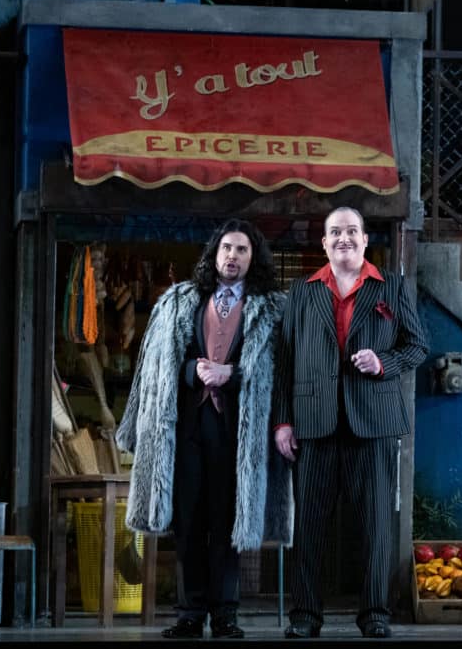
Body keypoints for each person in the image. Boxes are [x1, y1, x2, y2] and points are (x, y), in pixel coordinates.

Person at [115, 218, 294, 640]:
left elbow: (281, 371)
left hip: (239, 432)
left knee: (227, 522)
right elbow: (155, 365)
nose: (233, 256)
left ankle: (225, 614)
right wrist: (192, 371)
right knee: (189, 522)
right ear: (215, 254)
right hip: (187, 429)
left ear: (253, 258)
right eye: (227, 248)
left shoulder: (273, 309)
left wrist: (233, 374)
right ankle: (189, 614)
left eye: (242, 250)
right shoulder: (180, 301)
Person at [272, 206, 428, 639]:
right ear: (324, 243)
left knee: (376, 525)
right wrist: (282, 422)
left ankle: (375, 614)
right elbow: (285, 361)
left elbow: (418, 346)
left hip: (373, 423)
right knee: (310, 525)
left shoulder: (390, 286)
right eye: (336, 232)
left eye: (352, 231)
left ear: (365, 240)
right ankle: (305, 616)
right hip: (314, 422)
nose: (344, 238)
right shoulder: (302, 291)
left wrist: (383, 362)